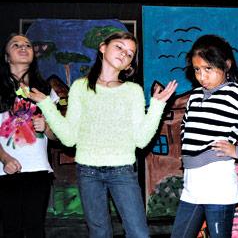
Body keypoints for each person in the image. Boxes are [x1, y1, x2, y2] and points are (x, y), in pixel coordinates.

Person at [27, 31, 178, 238]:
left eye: (130, 54)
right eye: (120, 47)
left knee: (139, 233)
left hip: (122, 171)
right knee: (99, 233)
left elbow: (142, 140)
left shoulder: (132, 91)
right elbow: (69, 137)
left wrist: (158, 105)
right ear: (102, 47)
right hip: (88, 172)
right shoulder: (80, 87)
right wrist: (46, 104)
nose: (125, 54)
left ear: (129, 65)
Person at [171, 34, 238, 238]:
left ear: (226, 65)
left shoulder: (234, 94)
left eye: (208, 69)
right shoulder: (194, 96)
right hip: (191, 184)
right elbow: (185, 125)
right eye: (197, 69)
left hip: (217, 184)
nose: (202, 76)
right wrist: (187, 153)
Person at [0, 33, 57, 238]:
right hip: (5, 170)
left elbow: (56, 135)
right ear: (7, 57)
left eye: (28, 45)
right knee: (11, 229)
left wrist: (47, 128)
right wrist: (5, 158)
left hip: (38, 169)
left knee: (35, 229)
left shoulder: (45, 91)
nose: (23, 47)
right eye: (16, 45)